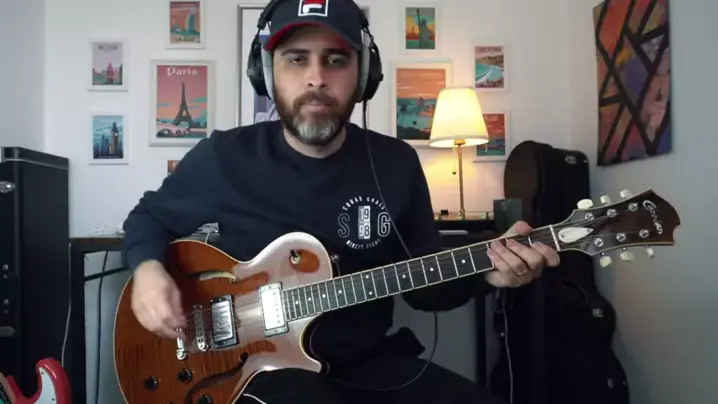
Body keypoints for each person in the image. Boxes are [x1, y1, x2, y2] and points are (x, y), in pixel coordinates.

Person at [122, 0, 561, 403]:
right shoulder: (225, 156)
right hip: (257, 372)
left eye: (336, 60)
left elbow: (425, 288)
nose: (316, 78)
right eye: (297, 59)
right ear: (266, 72)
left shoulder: (396, 164)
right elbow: (149, 218)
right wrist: (147, 271)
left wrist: (490, 273)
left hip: (370, 364)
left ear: (363, 74)